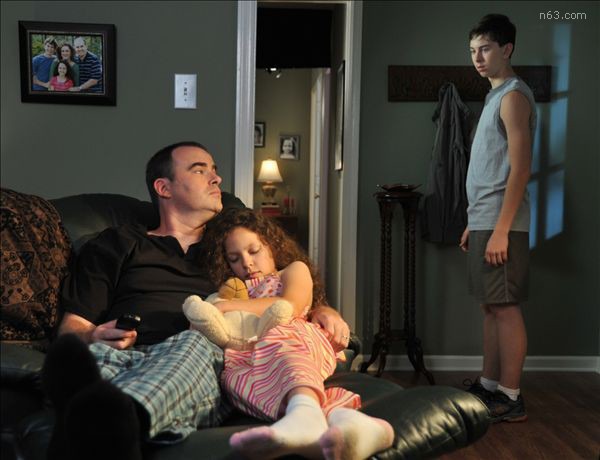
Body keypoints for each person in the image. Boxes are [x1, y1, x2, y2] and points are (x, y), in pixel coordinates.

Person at [41, 141, 350, 460]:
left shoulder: (231, 253)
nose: (217, 178)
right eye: (200, 170)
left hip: (194, 354)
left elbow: (280, 288)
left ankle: (114, 417)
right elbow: (72, 329)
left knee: (192, 345)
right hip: (123, 352)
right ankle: (98, 406)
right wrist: (93, 336)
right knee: (85, 361)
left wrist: (321, 308)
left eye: (215, 170)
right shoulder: (117, 242)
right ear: (164, 188)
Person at [200, 207, 394, 460]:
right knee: (233, 374)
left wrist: (225, 307)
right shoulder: (233, 291)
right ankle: (350, 423)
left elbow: (290, 305)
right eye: (234, 258)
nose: (246, 263)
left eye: (254, 251)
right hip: (251, 351)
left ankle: (303, 415)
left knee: (277, 337)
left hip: (297, 338)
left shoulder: (292, 270)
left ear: (272, 246)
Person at [460, 14, 537, 423]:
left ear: (506, 49)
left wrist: (501, 230)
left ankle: (511, 396)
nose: (478, 58)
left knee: (505, 307)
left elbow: (520, 169)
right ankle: (489, 386)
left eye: (485, 49)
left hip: (502, 224)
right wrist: (475, 222)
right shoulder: (494, 97)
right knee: (491, 306)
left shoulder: (513, 96)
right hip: (486, 218)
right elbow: (491, 167)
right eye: (473, 51)